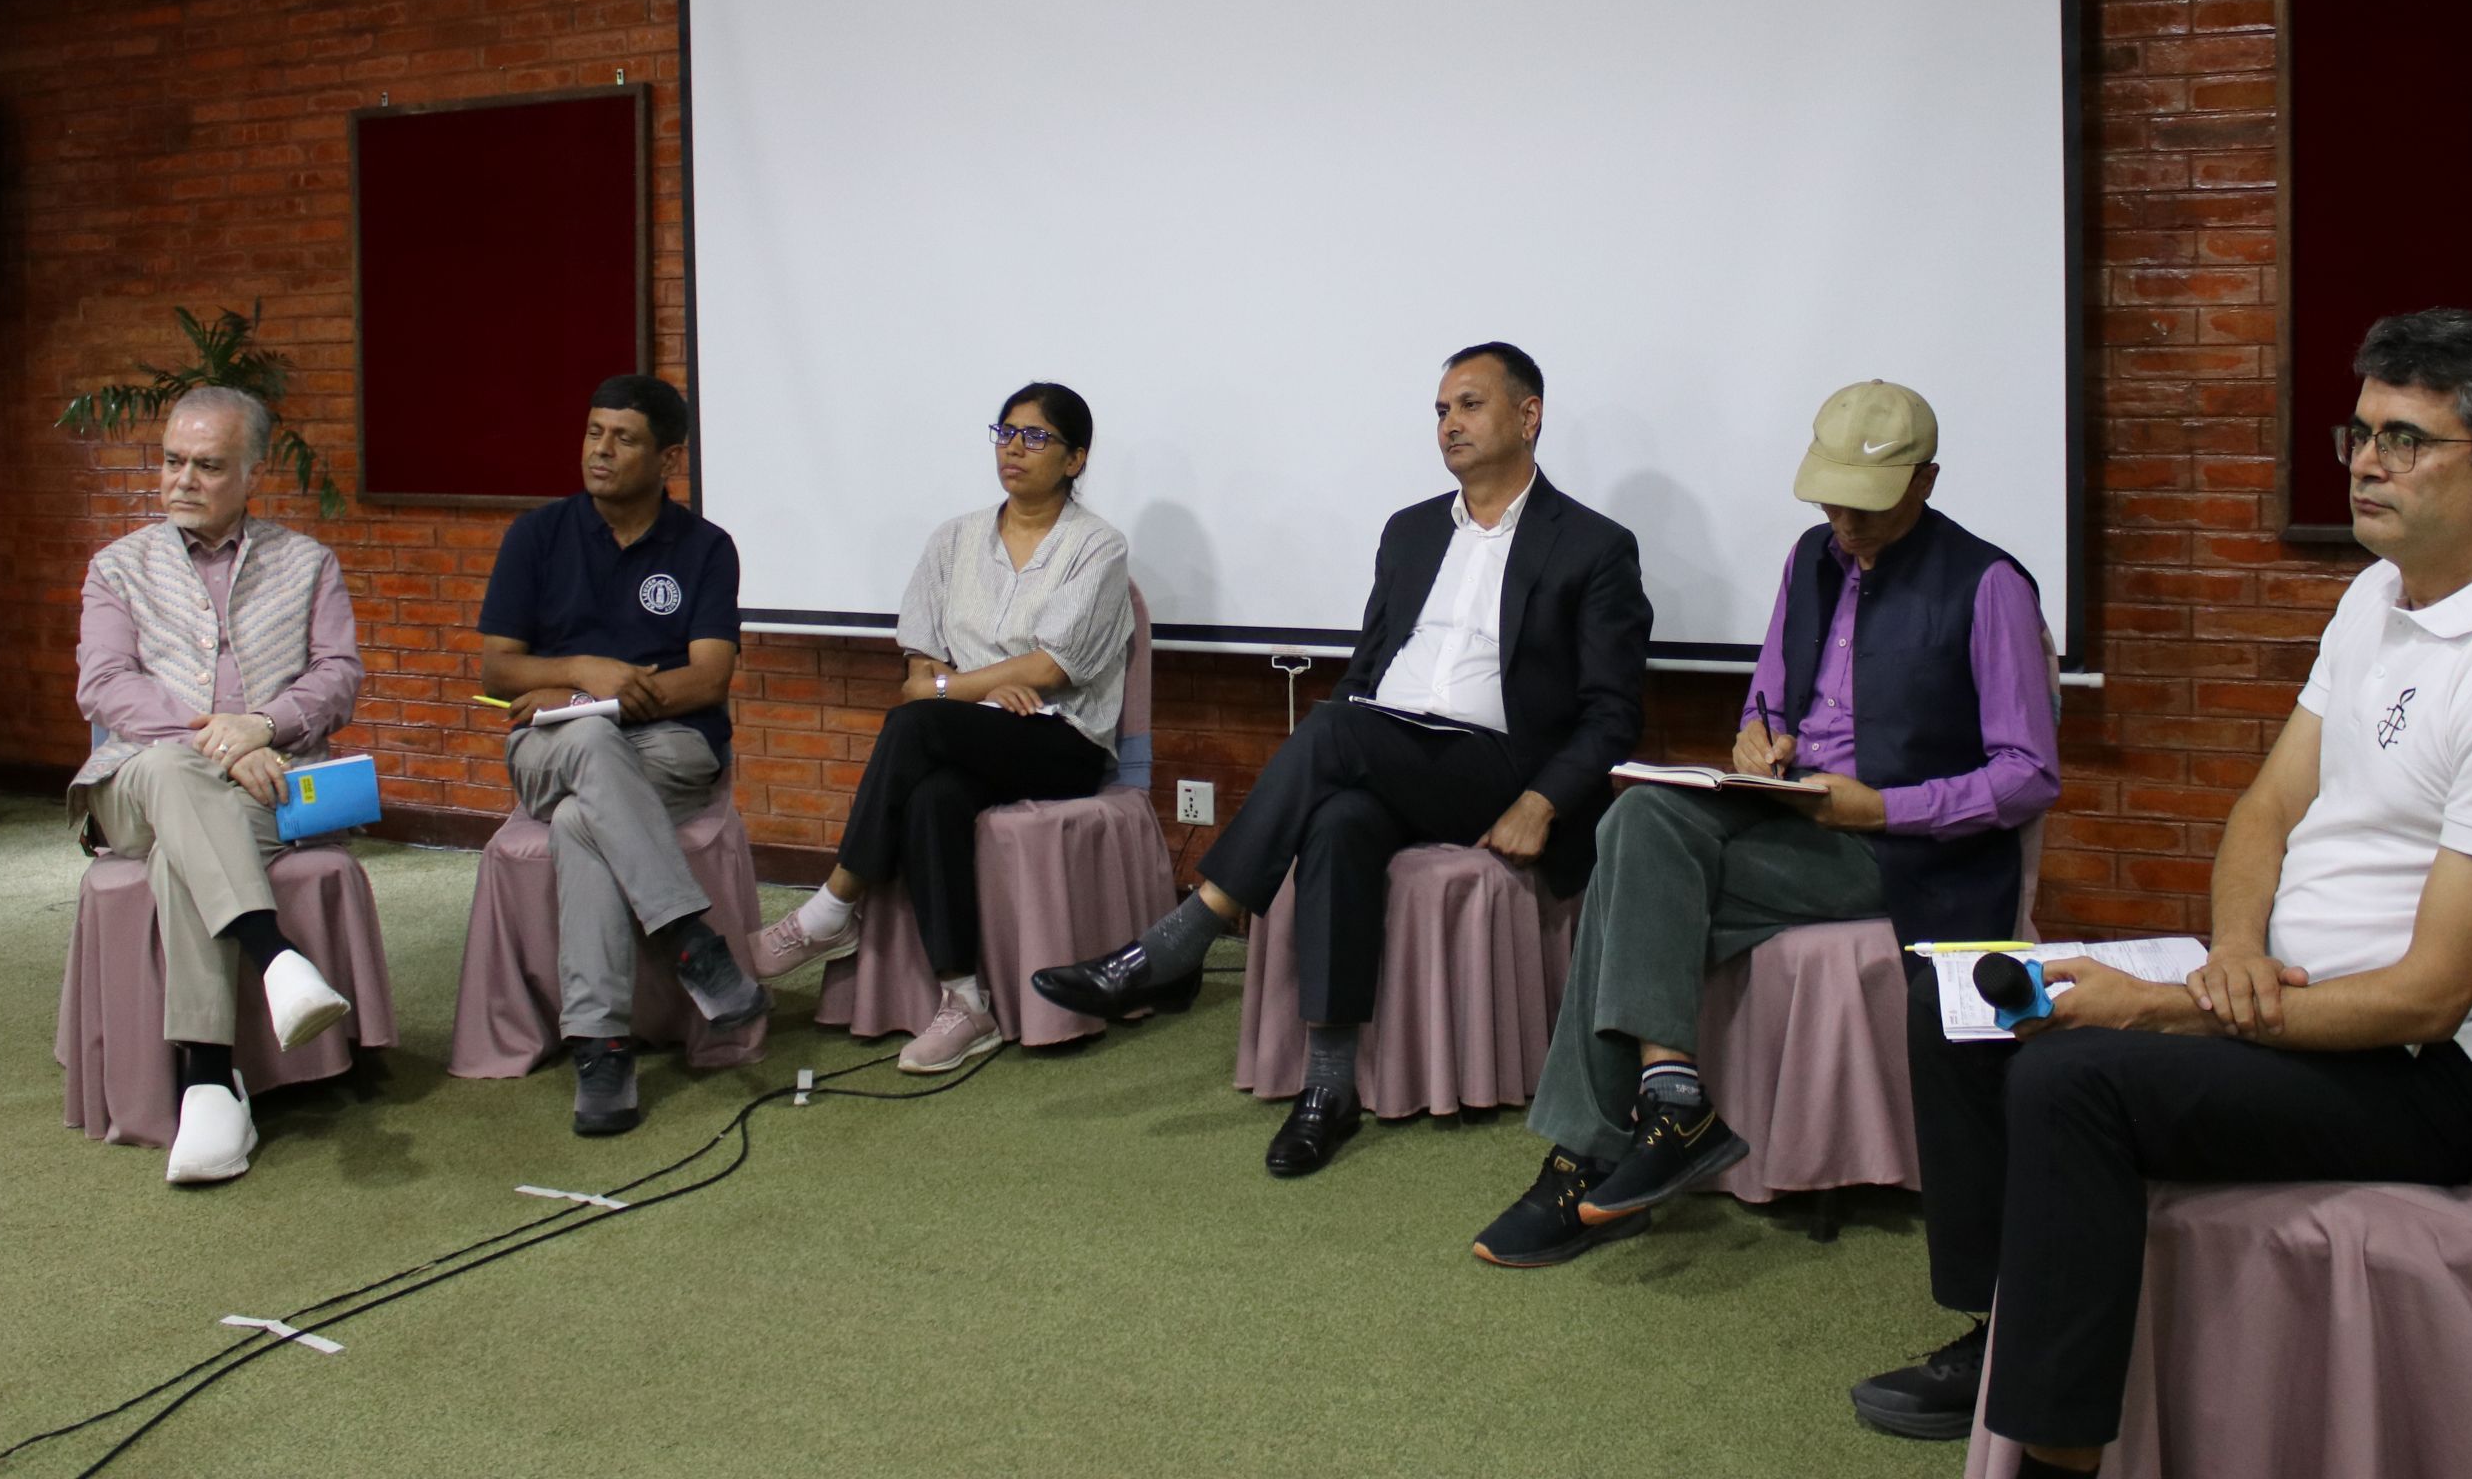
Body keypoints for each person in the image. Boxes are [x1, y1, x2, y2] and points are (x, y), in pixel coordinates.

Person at [1848, 309, 2472, 1474]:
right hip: (2282, 991)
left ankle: (2061, 1454)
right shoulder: (2380, 595)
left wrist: (2167, 1004)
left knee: (2074, 1074)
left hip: (2405, 1075)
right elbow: (2265, 813)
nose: (2368, 461)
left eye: (2409, 439)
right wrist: (2231, 956)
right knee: (1968, 992)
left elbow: (2428, 996)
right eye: (2362, 431)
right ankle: (1998, 1323)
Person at [1472, 378, 2058, 1264]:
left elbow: (2027, 778)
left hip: (1901, 853)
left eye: (1867, 506)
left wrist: (1887, 806)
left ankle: (1592, 1150)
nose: (1846, 525)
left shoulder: (1989, 586)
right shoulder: (1810, 559)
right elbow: (1770, 698)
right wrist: (1758, 738)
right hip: (1793, 814)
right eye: (1832, 501)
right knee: (1635, 823)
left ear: (1926, 481)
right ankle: (1672, 1100)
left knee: (1629, 878)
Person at [1035, 343, 1652, 1176]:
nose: (1449, 425)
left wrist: (1545, 800)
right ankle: (1329, 1088)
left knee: (1330, 729)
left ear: (1528, 415)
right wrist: (1362, 728)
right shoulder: (1408, 531)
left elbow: (1613, 714)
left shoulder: (1594, 545)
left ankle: (1184, 938)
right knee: (1337, 818)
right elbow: (1369, 669)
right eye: (1440, 411)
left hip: (1499, 769)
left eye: (1469, 405)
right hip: (1392, 750)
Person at [749, 383, 1133, 1073]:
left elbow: (1049, 670)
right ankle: (966, 1002)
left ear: (1076, 460)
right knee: (932, 797)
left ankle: (835, 904)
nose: (1015, 448)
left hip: (1059, 739)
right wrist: (973, 687)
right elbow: (916, 668)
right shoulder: (953, 540)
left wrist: (957, 686)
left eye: (1037, 437)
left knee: (915, 725)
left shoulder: (1097, 547)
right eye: (1006, 432)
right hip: (969, 732)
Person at [70, 386, 365, 1186]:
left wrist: (264, 726)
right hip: (133, 782)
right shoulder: (118, 568)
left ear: (251, 473)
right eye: (172, 461)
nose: (182, 480)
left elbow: (339, 675)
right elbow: (105, 685)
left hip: (259, 787)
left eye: (207, 465)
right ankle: (275, 957)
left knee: (184, 847)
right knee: (170, 769)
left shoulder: (306, 563)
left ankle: (208, 1082)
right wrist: (221, 740)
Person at [478, 373, 767, 1138]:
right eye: (594, 432)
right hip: (551, 746)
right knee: (586, 741)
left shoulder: (705, 549)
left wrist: (599, 700)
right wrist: (583, 675)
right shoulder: (534, 537)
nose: (601, 450)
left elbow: (708, 677)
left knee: (582, 820)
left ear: (668, 457)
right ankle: (689, 940)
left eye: (625, 438)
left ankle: (601, 1046)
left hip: (670, 746)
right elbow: (497, 671)